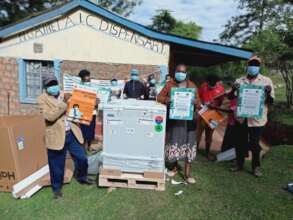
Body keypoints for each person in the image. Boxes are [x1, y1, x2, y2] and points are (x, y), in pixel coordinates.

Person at [37, 76, 94, 199]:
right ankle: (57, 189)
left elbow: (81, 109)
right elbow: (50, 117)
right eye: (50, 85)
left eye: (55, 83)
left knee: (82, 158)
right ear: (46, 88)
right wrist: (64, 103)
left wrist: (93, 104)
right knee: (57, 165)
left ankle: (82, 177)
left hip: (72, 133)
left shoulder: (66, 94)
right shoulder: (41, 99)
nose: (53, 86)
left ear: (58, 84)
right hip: (56, 136)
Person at [230, 56, 274, 177]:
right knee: (240, 142)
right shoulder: (239, 81)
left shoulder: (266, 81)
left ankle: (256, 167)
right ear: (247, 66)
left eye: (256, 64)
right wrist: (233, 89)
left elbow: (270, 102)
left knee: (254, 143)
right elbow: (230, 97)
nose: (253, 67)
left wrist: (268, 92)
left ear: (259, 67)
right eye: (251, 64)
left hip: (257, 119)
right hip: (241, 118)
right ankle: (239, 164)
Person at [157, 64, 201, 184]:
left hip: (189, 122)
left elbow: (199, 103)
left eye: (183, 72)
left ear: (186, 73)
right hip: (175, 121)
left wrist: (195, 101)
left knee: (189, 145)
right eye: (178, 71)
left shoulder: (192, 85)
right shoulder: (169, 84)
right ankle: (174, 167)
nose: (180, 74)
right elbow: (159, 97)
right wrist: (167, 100)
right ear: (175, 72)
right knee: (174, 143)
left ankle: (187, 174)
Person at [197, 74, 225, 160]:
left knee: (209, 134)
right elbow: (198, 97)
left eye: (213, 86)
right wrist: (201, 105)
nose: (211, 87)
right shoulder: (203, 86)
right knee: (198, 133)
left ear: (217, 83)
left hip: (214, 114)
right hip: (202, 112)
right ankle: (194, 150)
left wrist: (215, 107)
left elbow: (222, 102)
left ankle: (207, 152)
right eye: (210, 85)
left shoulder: (221, 89)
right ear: (207, 82)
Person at [78, 69, 97, 152]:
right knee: (83, 130)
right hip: (83, 113)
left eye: (89, 76)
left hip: (92, 112)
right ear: (83, 77)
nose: (89, 78)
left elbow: (97, 97)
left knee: (91, 129)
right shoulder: (79, 87)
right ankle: (83, 147)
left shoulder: (92, 87)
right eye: (87, 76)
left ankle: (89, 146)